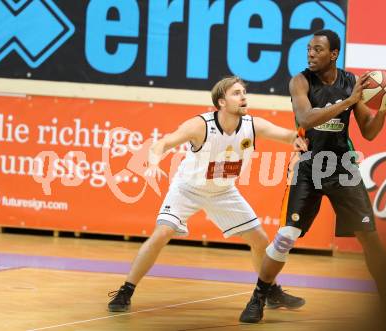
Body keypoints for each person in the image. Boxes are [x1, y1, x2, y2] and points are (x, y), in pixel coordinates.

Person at [107, 76, 309, 312]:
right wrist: (153, 161)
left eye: (244, 91)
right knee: (162, 232)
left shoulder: (253, 125)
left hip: (224, 192)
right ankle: (126, 291)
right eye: (236, 93)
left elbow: (289, 136)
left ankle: (271, 291)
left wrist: (302, 141)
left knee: (261, 240)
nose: (243, 96)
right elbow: (163, 143)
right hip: (188, 189)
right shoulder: (201, 125)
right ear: (221, 102)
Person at [239, 29, 386, 323]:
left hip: (343, 167)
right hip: (309, 164)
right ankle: (259, 296)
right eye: (309, 49)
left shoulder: (351, 83)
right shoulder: (300, 81)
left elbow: (369, 132)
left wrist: (384, 110)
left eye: (317, 50)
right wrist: (348, 102)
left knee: (370, 237)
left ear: (333, 54)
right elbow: (305, 118)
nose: (310, 54)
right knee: (287, 235)